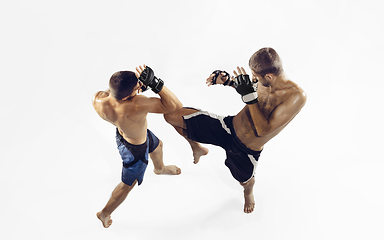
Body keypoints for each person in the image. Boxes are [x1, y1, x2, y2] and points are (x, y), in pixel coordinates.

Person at [164, 47, 307, 214]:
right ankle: (197, 147)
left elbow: (263, 130)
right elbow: (250, 91)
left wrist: (249, 96)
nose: (253, 78)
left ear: (269, 76)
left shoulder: (295, 96)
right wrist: (228, 82)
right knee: (171, 116)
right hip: (227, 126)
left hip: (245, 150)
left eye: (255, 75)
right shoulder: (263, 80)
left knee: (244, 181)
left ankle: (249, 191)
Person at [92, 65, 182, 228]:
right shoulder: (137, 104)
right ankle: (104, 213)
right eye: (137, 87)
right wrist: (155, 84)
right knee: (128, 184)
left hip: (126, 134)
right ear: (127, 97)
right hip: (136, 151)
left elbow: (116, 89)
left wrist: (136, 86)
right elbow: (175, 106)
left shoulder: (98, 99)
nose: (140, 86)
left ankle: (159, 169)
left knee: (158, 145)